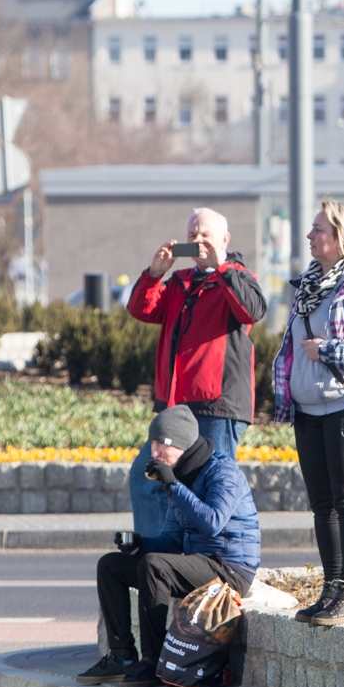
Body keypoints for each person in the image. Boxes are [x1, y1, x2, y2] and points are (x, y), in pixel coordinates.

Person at [77, 405, 262, 687]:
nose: (154, 453)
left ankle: (152, 662)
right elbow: (172, 540)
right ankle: (122, 656)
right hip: (200, 564)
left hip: (231, 570)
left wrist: (172, 484)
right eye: (151, 444)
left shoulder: (222, 471)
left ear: (180, 444)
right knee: (111, 565)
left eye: (159, 445)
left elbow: (212, 522)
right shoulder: (180, 477)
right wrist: (140, 545)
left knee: (154, 566)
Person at [126, 207, 268, 540]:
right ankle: (158, 553)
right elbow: (141, 309)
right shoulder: (180, 281)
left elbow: (252, 311)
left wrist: (221, 266)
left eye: (206, 235)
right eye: (192, 236)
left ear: (224, 239)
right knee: (146, 479)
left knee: (213, 488)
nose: (198, 241)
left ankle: (217, 558)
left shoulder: (237, 276)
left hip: (218, 405)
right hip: (177, 406)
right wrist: (154, 274)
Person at [275, 201, 344, 626]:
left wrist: (327, 351)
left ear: (340, 236)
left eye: (318, 230)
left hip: (343, 405)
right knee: (321, 504)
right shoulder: (308, 284)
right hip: (307, 407)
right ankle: (332, 587)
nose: (310, 237)